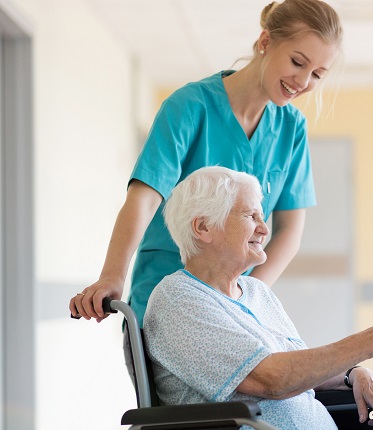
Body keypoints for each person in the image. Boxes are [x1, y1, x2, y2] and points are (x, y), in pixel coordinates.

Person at [144, 166, 373, 430]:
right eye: (250, 216)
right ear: (203, 228)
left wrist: (353, 373)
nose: (264, 228)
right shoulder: (179, 298)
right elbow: (273, 380)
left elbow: (301, 367)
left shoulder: (256, 292)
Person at [70, 0, 342, 325]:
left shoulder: (291, 129)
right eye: (298, 62)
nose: (303, 81)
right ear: (266, 42)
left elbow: (289, 232)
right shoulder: (190, 106)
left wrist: (247, 296)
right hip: (167, 292)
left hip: (233, 305)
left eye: (317, 74)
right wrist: (112, 275)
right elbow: (144, 196)